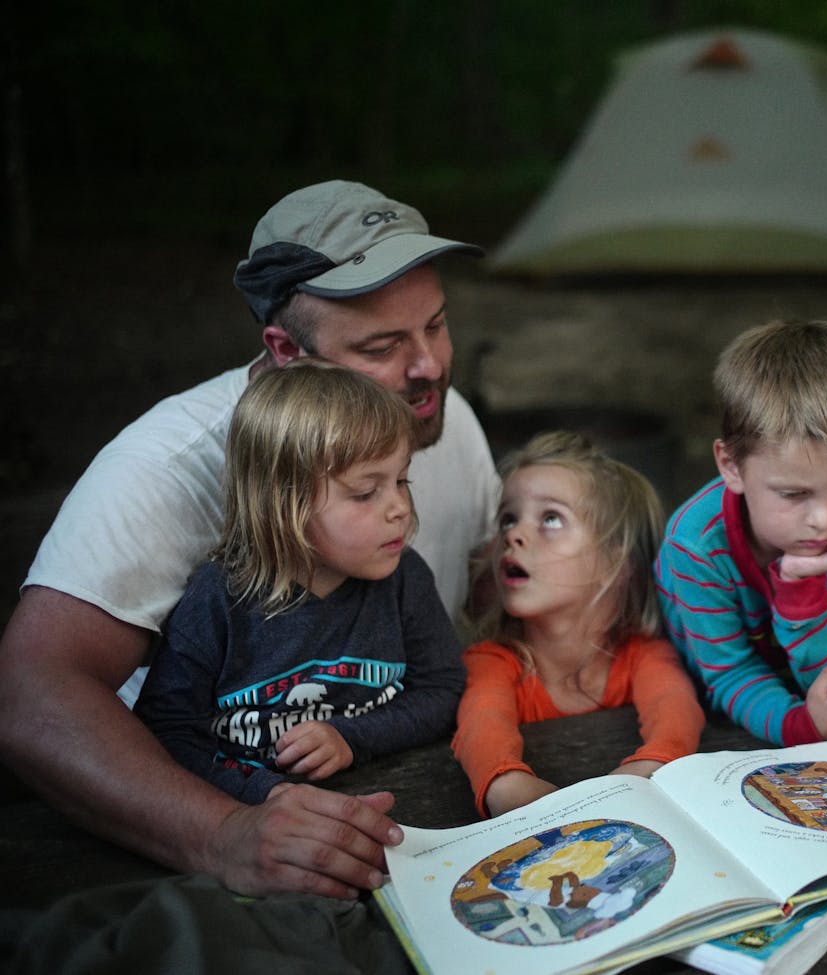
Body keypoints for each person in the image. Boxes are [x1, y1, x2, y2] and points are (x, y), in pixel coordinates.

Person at [0, 180, 500, 898]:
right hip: (210, 845)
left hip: (418, 818)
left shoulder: (442, 419)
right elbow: (29, 694)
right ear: (285, 349)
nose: (427, 368)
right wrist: (219, 831)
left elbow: (475, 616)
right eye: (382, 346)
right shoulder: (164, 468)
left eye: (436, 324)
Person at [135, 361, 466, 803]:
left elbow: (441, 691)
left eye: (401, 481)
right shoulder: (218, 600)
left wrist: (351, 738)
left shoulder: (405, 579)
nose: (399, 508)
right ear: (284, 503)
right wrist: (263, 796)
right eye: (366, 492)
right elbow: (167, 733)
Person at [656, 319, 827, 746]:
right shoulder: (695, 545)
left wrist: (804, 593)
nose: (823, 518)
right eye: (793, 494)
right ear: (731, 466)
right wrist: (803, 726)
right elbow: (727, 674)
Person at [452, 431, 704, 818]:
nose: (514, 535)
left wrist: (652, 765)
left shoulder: (642, 654)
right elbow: (482, 722)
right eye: (507, 519)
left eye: (551, 518)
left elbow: (675, 706)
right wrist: (505, 784)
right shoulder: (492, 660)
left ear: (614, 561)